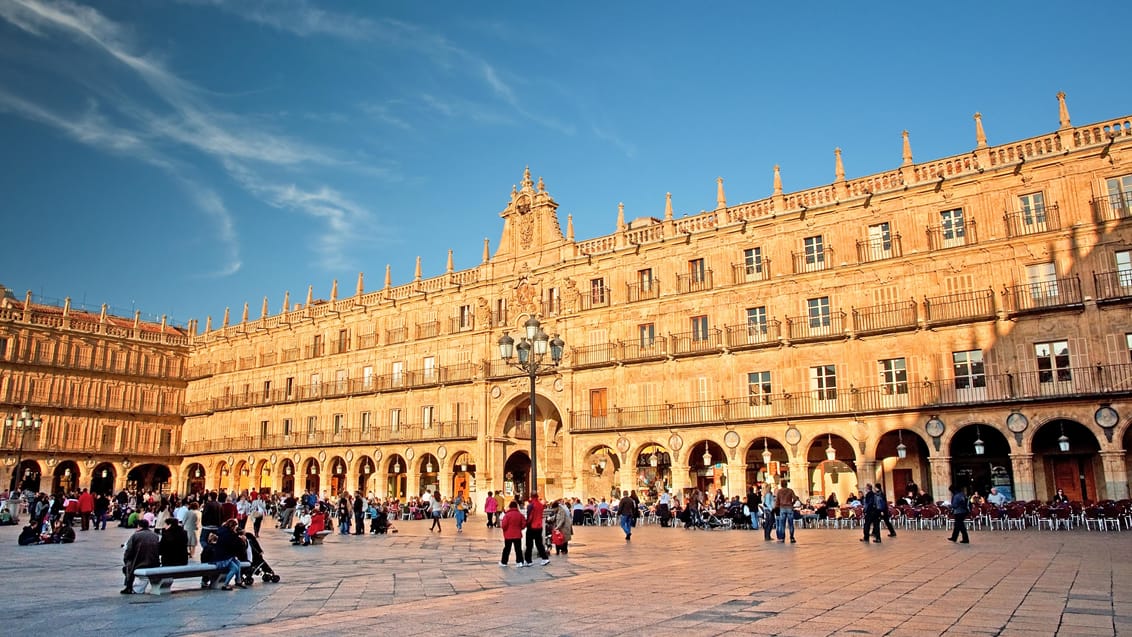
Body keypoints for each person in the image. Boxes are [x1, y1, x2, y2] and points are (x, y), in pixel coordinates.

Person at [121, 519, 161, 594]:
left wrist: (126, 560)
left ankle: (128, 587)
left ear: (139, 526)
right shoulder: (155, 535)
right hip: (153, 562)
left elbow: (129, 551)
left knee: (127, 567)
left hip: (140, 563)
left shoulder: (135, 535)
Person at [523, 491, 550, 566]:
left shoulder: (531, 505)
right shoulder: (540, 505)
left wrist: (526, 523)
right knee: (539, 544)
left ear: (531, 496)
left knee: (529, 544)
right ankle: (545, 558)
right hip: (539, 526)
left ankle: (528, 560)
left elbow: (530, 517)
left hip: (532, 526)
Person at [498, 501, 524, 567]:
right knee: (518, 549)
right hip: (517, 534)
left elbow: (504, 525)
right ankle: (520, 562)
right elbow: (523, 524)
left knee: (507, 549)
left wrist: (505, 530)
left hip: (508, 535)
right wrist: (519, 528)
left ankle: (504, 562)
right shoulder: (520, 515)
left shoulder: (507, 515)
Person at [774, 479, 798, 543]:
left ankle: (782, 538)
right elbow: (795, 498)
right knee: (791, 524)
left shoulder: (779, 491)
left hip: (782, 508)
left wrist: (776, 507)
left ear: (781, 484)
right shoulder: (790, 490)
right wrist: (792, 503)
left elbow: (777, 501)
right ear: (786, 484)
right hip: (789, 507)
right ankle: (792, 537)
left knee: (782, 524)